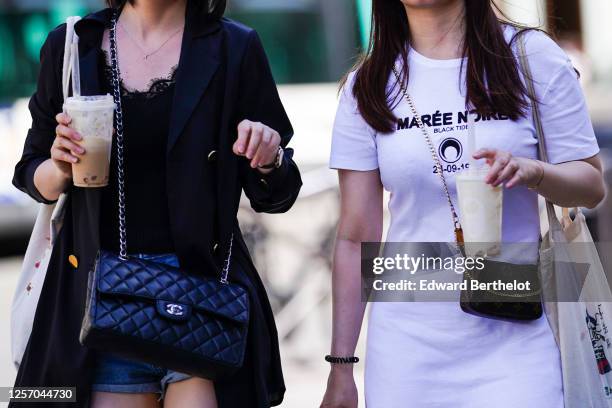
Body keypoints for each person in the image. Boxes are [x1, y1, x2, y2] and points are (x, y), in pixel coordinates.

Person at [12, 0, 302, 407]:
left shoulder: (234, 46)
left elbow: (277, 193)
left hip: (202, 292)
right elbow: (31, 171)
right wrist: (60, 166)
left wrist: (269, 157)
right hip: (105, 294)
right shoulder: (75, 46)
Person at [321, 0, 605, 407]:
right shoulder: (367, 85)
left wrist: (533, 172)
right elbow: (354, 238)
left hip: (518, 336)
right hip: (407, 348)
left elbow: (592, 185)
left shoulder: (530, 57)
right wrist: (341, 367)